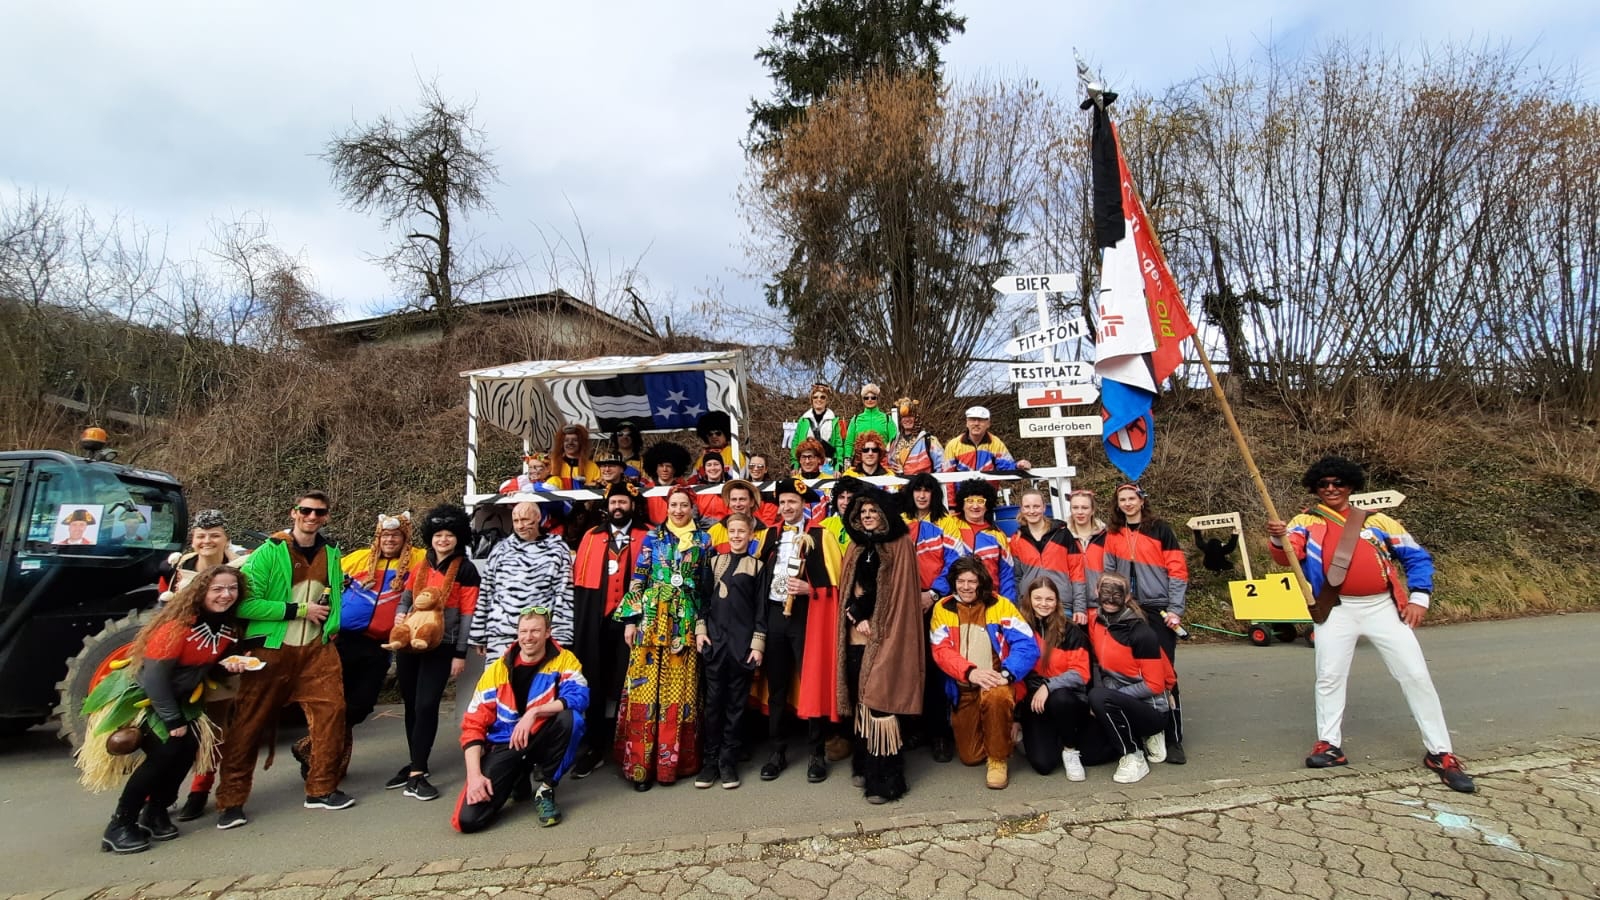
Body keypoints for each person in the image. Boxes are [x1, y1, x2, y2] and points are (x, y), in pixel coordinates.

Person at [1266, 456, 1475, 793]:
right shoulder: (1304, 521)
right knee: (1329, 677)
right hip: (1335, 609)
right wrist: (1278, 539)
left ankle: (1440, 752)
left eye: (1338, 483)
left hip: (1384, 608)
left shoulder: (1379, 521)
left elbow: (1416, 557)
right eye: (1323, 484)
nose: (1331, 489)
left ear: (1351, 485)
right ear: (1315, 488)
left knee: (1415, 675)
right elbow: (1286, 555)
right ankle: (1329, 745)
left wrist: (1420, 598)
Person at [82, 565, 251, 853]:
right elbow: (154, 678)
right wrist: (173, 720)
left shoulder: (226, 628)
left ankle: (155, 811)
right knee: (165, 751)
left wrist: (231, 666)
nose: (226, 595)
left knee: (187, 748)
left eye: (232, 589)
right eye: (218, 589)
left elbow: (208, 668)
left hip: (181, 701)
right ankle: (120, 824)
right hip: (147, 698)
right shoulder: (176, 627)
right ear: (201, 592)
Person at [216, 490, 352, 829]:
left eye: (319, 512)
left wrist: (332, 626)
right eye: (306, 511)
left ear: (326, 517)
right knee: (248, 723)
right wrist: (300, 610)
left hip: (317, 650)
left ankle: (321, 788)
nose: (312, 517)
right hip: (271, 650)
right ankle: (231, 801)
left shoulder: (332, 552)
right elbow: (245, 604)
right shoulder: (269, 551)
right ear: (294, 513)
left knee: (332, 715)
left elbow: (333, 596)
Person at [453, 608, 587, 832]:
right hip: (506, 743)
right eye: (524, 631)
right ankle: (517, 777)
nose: (528, 637)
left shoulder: (564, 659)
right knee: (468, 820)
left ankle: (546, 789)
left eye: (535, 631)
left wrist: (534, 713)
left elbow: (579, 696)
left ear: (547, 633)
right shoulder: (498, 669)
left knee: (571, 718)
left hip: (542, 735)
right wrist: (475, 776)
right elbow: (473, 724)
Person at [613, 486, 711, 790]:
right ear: (666, 508)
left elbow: (705, 586)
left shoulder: (704, 540)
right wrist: (631, 620)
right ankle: (641, 767)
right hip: (651, 620)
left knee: (679, 692)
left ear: (692, 509)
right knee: (645, 691)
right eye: (674, 505)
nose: (678, 510)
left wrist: (702, 624)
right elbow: (638, 578)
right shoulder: (652, 538)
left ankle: (673, 765)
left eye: (684, 505)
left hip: (685, 621)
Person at [160, 509, 250, 821]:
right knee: (169, 734)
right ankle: (158, 796)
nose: (207, 541)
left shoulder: (242, 567)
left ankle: (199, 790)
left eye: (214, 535)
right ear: (193, 539)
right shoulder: (180, 566)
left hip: (221, 656)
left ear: (226, 538)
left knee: (213, 730)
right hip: (181, 660)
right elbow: (164, 605)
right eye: (201, 536)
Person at [835, 488, 924, 803]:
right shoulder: (857, 545)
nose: (868, 516)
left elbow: (899, 593)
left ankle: (886, 778)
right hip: (856, 636)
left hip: (887, 635)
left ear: (885, 514)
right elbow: (848, 589)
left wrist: (871, 616)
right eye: (863, 512)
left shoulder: (901, 545)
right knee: (861, 701)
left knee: (880, 702)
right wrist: (854, 612)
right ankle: (862, 762)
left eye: (873, 511)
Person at [386, 504, 479, 802]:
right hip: (411, 642)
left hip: (444, 644)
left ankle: (417, 773)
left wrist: (460, 653)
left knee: (427, 704)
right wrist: (400, 615)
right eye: (438, 534)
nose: (443, 539)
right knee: (412, 705)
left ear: (458, 537)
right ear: (431, 537)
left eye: (449, 535)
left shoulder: (466, 569)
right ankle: (417, 762)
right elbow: (406, 597)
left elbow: (467, 615)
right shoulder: (421, 565)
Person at [335, 513, 425, 798]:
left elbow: (441, 563)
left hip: (379, 645)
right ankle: (328, 760)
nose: (390, 540)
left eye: (396, 535)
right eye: (385, 535)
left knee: (361, 704)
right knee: (333, 702)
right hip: (343, 640)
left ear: (405, 538)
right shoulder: (357, 559)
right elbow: (324, 578)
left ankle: (319, 745)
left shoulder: (418, 559)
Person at [756, 478, 840, 782]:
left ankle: (817, 753)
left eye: (792, 501)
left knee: (811, 682)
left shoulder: (821, 535)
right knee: (777, 685)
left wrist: (810, 588)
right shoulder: (769, 535)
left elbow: (836, 582)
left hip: (807, 617)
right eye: (783, 502)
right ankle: (776, 752)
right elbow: (757, 574)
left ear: (804, 504)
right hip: (774, 615)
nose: (787, 507)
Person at [929, 556, 1038, 789]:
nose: (966, 587)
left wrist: (1007, 674)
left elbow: (1027, 645)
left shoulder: (1000, 604)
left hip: (996, 681)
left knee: (997, 697)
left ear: (981, 582)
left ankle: (998, 758)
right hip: (964, 686)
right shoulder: (943, 607)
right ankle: (1004, 731)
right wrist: (969, 672)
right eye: (961, 581)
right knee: (970, 757)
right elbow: (940, 650)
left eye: (972, 581)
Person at [1103, 483, 1189, 765]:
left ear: (1141, 501)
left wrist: (1175, 609)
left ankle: (1174, 737)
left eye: (1132, 498)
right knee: (1131, 673)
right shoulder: (1113, 533)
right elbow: (1108, 573)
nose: (1127, 503)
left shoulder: (1160, 529)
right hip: (1126, 610)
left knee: (1165, 673)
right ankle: (1145, 730)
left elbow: (1177, 570)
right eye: (1122, 499)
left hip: (1157, 607)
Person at [569, 482, 649, 778]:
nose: (618, 507)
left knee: (630, 682)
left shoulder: (648, 535)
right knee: (595, 680)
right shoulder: (592, 536)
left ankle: (629, 743)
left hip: (633, 622)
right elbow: (581, 585)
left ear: (632, 505)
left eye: (623, 502)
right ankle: (594, 745)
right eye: (614, 502)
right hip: (598, 620)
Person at [694, 513, 769, 790]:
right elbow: (702, 600)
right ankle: (709, 761)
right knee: (713, 704)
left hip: (741, 647)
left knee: (736, 706)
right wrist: (701, 630)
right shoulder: (714, 562)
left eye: (742, 531)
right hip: (714, 644)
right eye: (733, 531)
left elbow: (761, 609)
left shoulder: (758, 567)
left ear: (751, 535)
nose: (737, 536)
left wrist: (757, 644)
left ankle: (728, 761)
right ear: (727, 533)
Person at [1085, 573, 1176, 784]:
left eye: (1117, 594)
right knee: (1090, 755)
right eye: (1105, 592)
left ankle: (1134, 754)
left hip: (1151, 708)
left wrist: (1107, 697)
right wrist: (1101, 700)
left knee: (1098, 697)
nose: (1110, 599)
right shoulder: (1096, 622)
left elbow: (1155, 684)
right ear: (1096, 592)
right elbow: (1097, 663)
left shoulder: (1141, 632)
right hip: (1115, 700)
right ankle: (1133, 735)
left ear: (1127, 596)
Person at [897, 473, 959, 763]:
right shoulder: (899, 521)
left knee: (936, 668)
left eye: (927, 490)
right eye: (917, 490)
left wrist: (933, 593)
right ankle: (914, 728)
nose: (922, 495)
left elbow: (954, 564)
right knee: (909, 667)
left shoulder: (947, 523)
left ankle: (940, 734)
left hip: (937, 603)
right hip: (904, 603)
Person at [473, 502, 575, 656]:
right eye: (516, 521)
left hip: (538, 636)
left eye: (525, 520)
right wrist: (479, 634)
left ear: (538, 517)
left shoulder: (557, 549)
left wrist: (561, 637)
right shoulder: (500, 549)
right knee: (498, 673)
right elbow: (486, 592)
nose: (520, 526)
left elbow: (564, 594)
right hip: (500, 634)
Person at [1016, 577, 1093, 779]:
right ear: (1028, 599)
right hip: (1034, 703)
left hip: (1067, 700)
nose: (1043, 604)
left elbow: (1081, 673)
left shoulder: (1071, 631)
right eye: (1038, 598)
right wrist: (1014, 718)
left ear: (1057, 601)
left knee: (1061, 698)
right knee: (1043, 764)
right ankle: (1039, 737)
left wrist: (1048, 686)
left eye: (1049, 599)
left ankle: (1070, 750)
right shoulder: (1020, 628)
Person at [1009, 488, 1085, 621]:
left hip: (1061, 604)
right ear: (1021, 509)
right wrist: (1020, 604)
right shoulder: (1017, 539)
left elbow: (1077, 572)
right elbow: (1017, 577)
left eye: (1036, 506)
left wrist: (1079, 607)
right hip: (1031, 606)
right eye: (1027, 507)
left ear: (1044, 508)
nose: (1032, 511)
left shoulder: (1062, 534)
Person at [945, 479, 1017, 601]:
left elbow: (1006, 575)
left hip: (989, 600)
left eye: (980, 501)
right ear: (962, 504)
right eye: (970, 501)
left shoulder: (998, 535)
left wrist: (1008, 603)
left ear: (987, 505)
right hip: (955, 599)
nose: (975, 506)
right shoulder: (949, 525)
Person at [941, 406, 1030, 476]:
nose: (976, 423)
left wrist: (1018, 466)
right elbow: (947, 475)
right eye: (973, 420)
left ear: (988, 424)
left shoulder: (996, 443)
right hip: (961, 493)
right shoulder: (953, 445)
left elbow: (1006, 468)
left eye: (981, 420)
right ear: (967, 423)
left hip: (988, 492)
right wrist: (951, 496)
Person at [1064, 490, 1106, 623]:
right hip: (1071, 606)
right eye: (1075, 508)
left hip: (1101, 604)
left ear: (1092, 510)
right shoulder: (1061, 536)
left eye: (1085, 508)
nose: (1080, 512)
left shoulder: (1106, 536)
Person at [790, 383, 846, 469]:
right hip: (806, 465)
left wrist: (839, 465)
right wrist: (795, 464)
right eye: (815, 397)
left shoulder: (834, 421)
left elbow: (838, 445)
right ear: (811, 400)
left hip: (827, 465)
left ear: (827, 400)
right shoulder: (803, 420)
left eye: (822, 397)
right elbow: (795, 444)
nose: (819, 400)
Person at [708, 479, 770, 556]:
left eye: (742, 499)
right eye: (734, 499)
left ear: (752, 502)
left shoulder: (765, 534)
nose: (737, 504)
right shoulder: (715, 531)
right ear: (729, 503)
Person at [886, 398, 943, 475]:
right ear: (900, 420)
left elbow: (942, 467)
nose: (907, 420)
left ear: (916, 418)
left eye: (910, 416)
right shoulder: (894, 442)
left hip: (923, 482)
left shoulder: (928, 441)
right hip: (900, 482)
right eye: (904, 417)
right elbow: (888, 466)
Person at [643, 440, 693, 526]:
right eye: (661, 466)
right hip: (654, 530)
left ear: (675, 468)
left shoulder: (684, 489)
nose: (664, 469)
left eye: (668, 466)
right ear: (655, 468)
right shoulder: (647, 490)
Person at [843, 383, 897, 454]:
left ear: (877, 399)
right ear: (863, 400)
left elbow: (894, 441)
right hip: (860, 459)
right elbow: (849, 443)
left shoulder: (887, 419)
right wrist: (847, 458)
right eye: (866, 398)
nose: (870, 400)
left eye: (873, 397)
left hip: (883, 458)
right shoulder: (855, 420)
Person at [549, 424, 602, 490]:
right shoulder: (552, 464)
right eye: (566, 440)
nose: (570, 443)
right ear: (561, 444)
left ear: (581, 443)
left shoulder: (592, 467)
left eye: (575, 440)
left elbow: (600, 488)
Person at [696, 410, 746, 477]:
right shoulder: (701, 459)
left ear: (726, 434)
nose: (714, 436)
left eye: (718, 433)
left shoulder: (734, 454)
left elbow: (739, 477)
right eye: (710, 434)